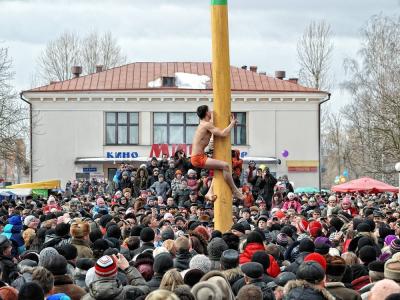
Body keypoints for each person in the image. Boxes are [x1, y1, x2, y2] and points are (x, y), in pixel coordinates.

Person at [191, 105, 243, 201]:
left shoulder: (203, 123)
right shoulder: (206, 125)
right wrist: (232, 123)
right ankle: (235, 190)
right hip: (198, 157)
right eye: (209, 111)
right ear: (206, 113)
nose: (211, 112)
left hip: (198, 156)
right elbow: (223, 134)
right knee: (226, 166)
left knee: (219, 170)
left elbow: (213, 120)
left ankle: (209, 192)